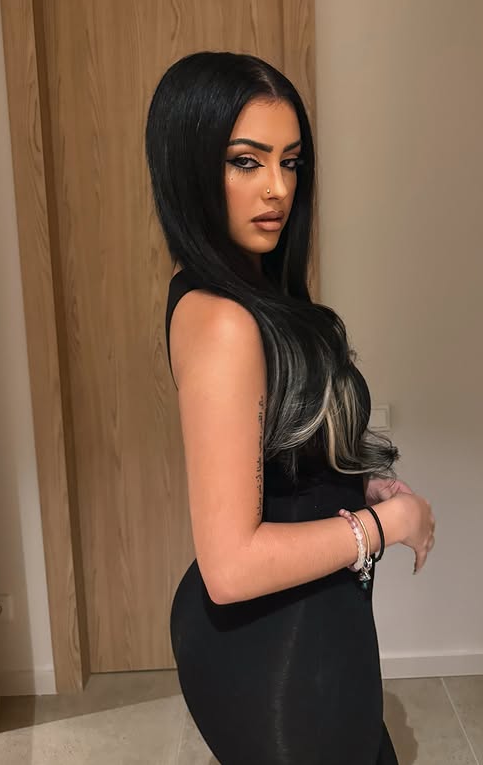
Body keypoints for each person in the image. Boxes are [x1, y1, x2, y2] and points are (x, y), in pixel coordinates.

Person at [145, 51, 436, 765]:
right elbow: (230, 565)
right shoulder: (224, 321)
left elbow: (272, 451)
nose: (277, 187)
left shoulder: (244, 292)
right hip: (279, 647)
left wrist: (350, 484)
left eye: (291, 161)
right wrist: (386, 526)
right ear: (190, 167)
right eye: (246, 161)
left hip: (305, 627)